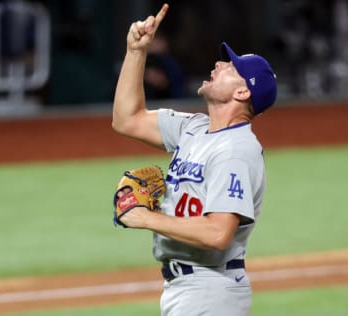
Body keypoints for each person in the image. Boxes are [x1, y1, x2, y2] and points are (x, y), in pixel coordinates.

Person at [112, 3, 277, 316]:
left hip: (210, 289)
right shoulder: (193, 128)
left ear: (243, 93)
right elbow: (127, 119)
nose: (219, 64)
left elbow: (218, 233)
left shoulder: (236, 151)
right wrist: (136, 52)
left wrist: (144, 217)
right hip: (186, 289)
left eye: (231, 67)